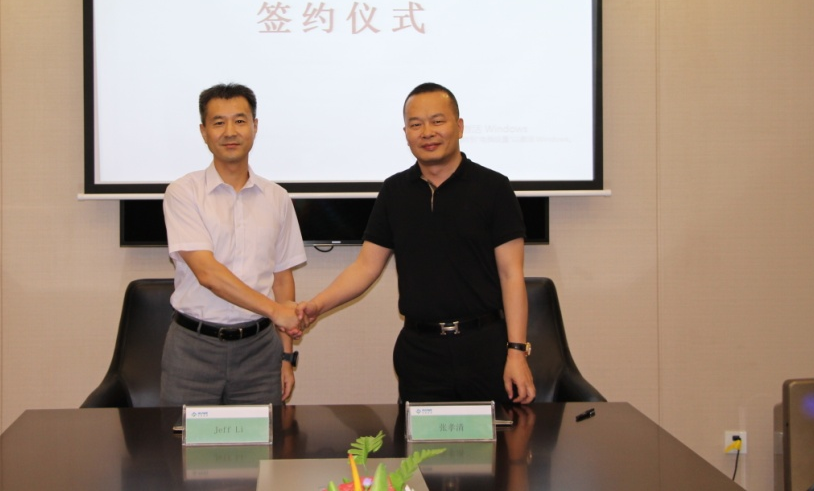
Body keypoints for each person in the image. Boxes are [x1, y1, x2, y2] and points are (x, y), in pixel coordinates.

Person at [297, 83, 536, 406]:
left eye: (438, 121)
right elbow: (366, 267)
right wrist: (316, 305)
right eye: (416, 124)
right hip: (420, 351)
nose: (427, 132)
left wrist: (517, 351)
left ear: (459, 127)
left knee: (495, 438)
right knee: (419, 439)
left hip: (484, 347)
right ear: (406, 133)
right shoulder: (394, 191)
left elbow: (511, 275)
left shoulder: (494, 188)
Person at [161, 83, 306, 408]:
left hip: (260, 351)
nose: (230, 132)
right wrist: (275, 311)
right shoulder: (183, 193)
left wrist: (286, 357)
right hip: (193, 348)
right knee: (182, 439)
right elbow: (208, 274)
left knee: (262, 440)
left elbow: (282, 279)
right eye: (218, 122)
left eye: (240, 121)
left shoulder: (277, 198)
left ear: (255, 126)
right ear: (203, 131)